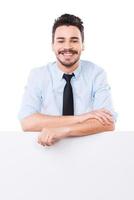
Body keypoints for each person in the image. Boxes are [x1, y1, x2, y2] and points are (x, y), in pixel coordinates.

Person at [18, 13, 117, 146]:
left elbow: (108, 123)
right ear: (52, 45)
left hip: (88, 150)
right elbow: (27, 122)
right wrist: (82, 118)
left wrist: (64, 130)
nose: (67, 46)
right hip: (48, 152)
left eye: (74, 40)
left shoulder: (96, 74)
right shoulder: (38, 75)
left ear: (83, 45)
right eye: (61, 40)